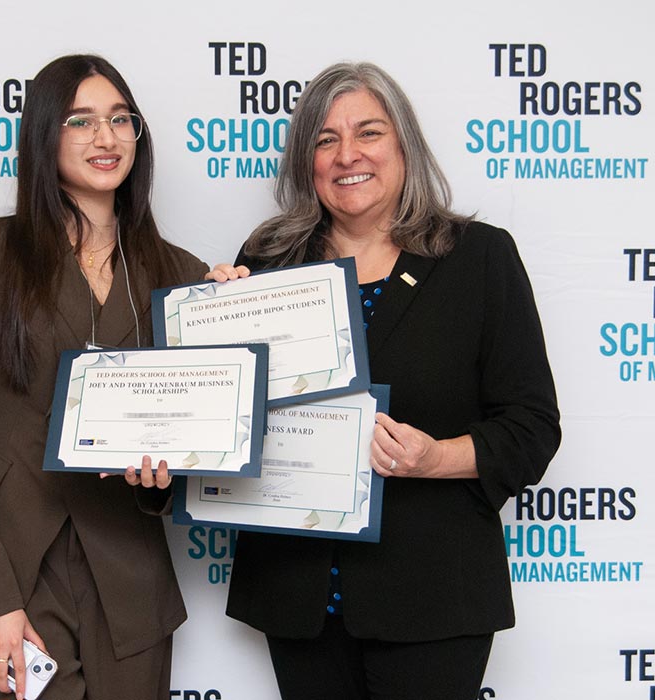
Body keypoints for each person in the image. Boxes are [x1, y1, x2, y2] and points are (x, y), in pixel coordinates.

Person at [218, 62, 561, 699]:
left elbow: (532, 426)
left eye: (368, 132)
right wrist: (213, 332)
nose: (348, 155)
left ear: (404, 145)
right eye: (325, 140)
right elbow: (230, 427)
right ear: (305, 161)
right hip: (298, 595)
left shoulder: (479, 258)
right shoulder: (266, 261)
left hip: (433, 593)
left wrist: (435, 458)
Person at [0, 54, 211, 700]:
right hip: (10, 570)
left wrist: (227, 307)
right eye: (82, 120)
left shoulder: (179, 274)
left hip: (130, 577)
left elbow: (194, 444)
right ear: (44, 135)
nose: (107, 137)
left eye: (122, 120)